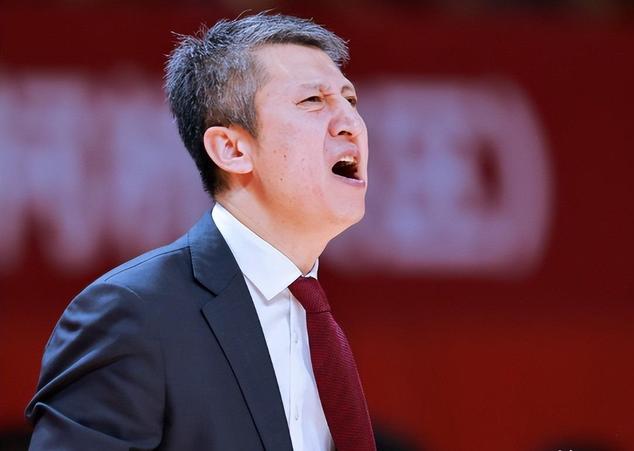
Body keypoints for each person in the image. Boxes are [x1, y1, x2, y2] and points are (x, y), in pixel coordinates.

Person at [25, 13, 375, 451]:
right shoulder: (132, 314)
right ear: (231, 149)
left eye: (350, 99)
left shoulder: (314, 318)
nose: (350, 122)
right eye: (313, 101)